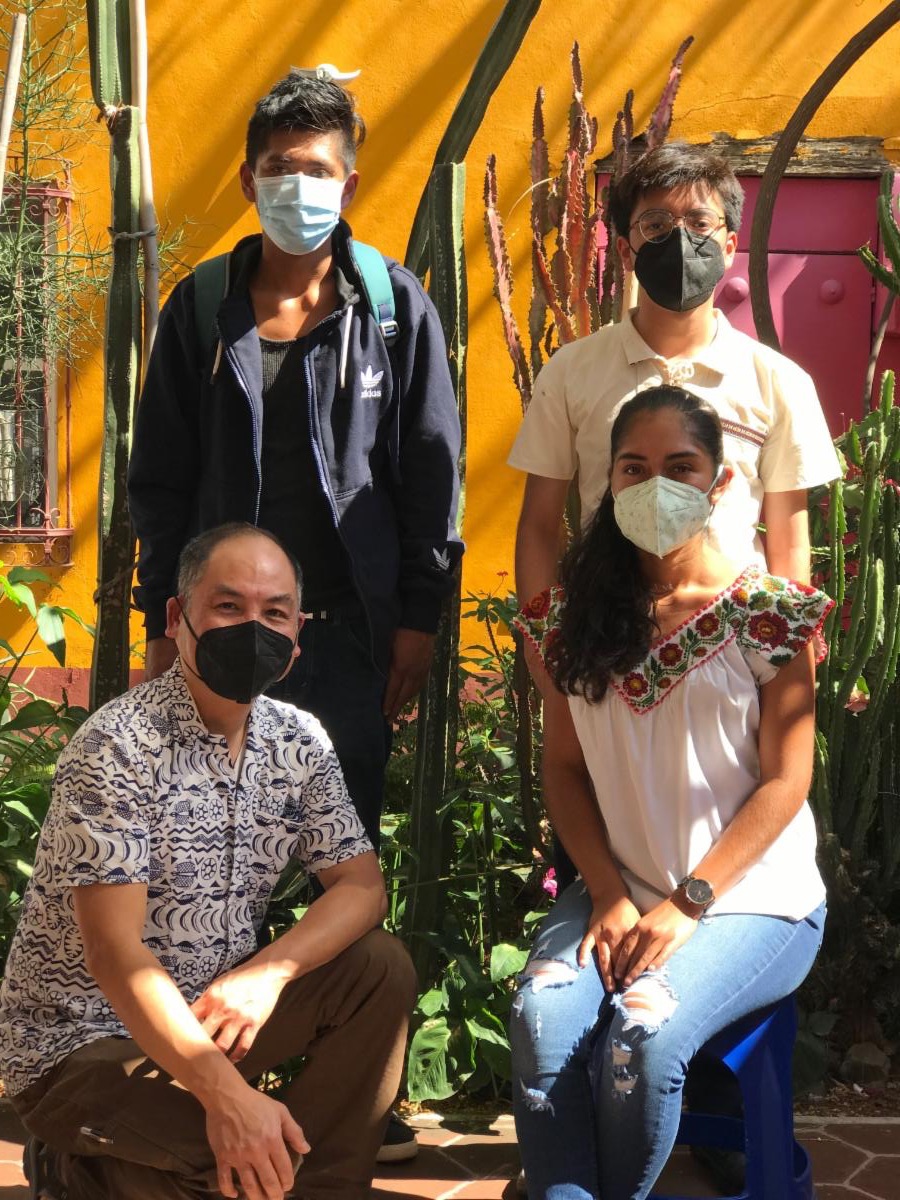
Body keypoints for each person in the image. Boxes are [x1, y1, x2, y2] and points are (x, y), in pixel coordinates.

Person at [128, 72, 461, 1158]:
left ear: (348, 182)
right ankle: (196, 1077)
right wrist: (161, 621)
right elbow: (161, 479)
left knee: (341, 859)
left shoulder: (392, 308)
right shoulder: (200, 309)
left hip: (348, 639)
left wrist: (417, 620)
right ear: (249, 177)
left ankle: (354, 1093)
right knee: (198, 855)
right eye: (280, 169)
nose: (298, 187)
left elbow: (430, 472)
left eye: (317, 170)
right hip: (222, 637)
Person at [0, 523, 417, 1200]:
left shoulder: (298, 741)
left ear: (297, 634)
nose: (252, 628)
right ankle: (75, 1161)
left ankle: (310, 1184)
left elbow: (361, 887)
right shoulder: (119, 745)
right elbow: (114, 953)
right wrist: (229, 1098)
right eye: (228, 606)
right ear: (178, 617)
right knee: (235, 1166)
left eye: (274, 613)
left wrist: (268, 973)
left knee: (378, 967)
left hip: (210, 1020)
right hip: (84, 1048)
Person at [510, 387, 830, 1200]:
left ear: (720, 483)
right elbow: (566, 770)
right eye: (635, 468)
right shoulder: (567, 620)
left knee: (641, 1039)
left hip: (752, 898)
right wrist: (608, 892)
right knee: (541, 1019)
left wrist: (689, 902)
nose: (656, 486)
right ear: (609, 482)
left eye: (680, 466)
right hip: (622, 887)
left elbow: (787, 780)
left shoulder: (770, 616)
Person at [508, 141, 840, 602]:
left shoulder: (779, 382)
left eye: (700, 223)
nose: (680, 240)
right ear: (626, 251)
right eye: (656, 225)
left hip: (734, 631)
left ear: (729, 247)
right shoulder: (570, 372)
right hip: (603, 627)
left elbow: (789, 538)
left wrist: (787, 637)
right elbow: (540, 526)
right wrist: (542, 635)